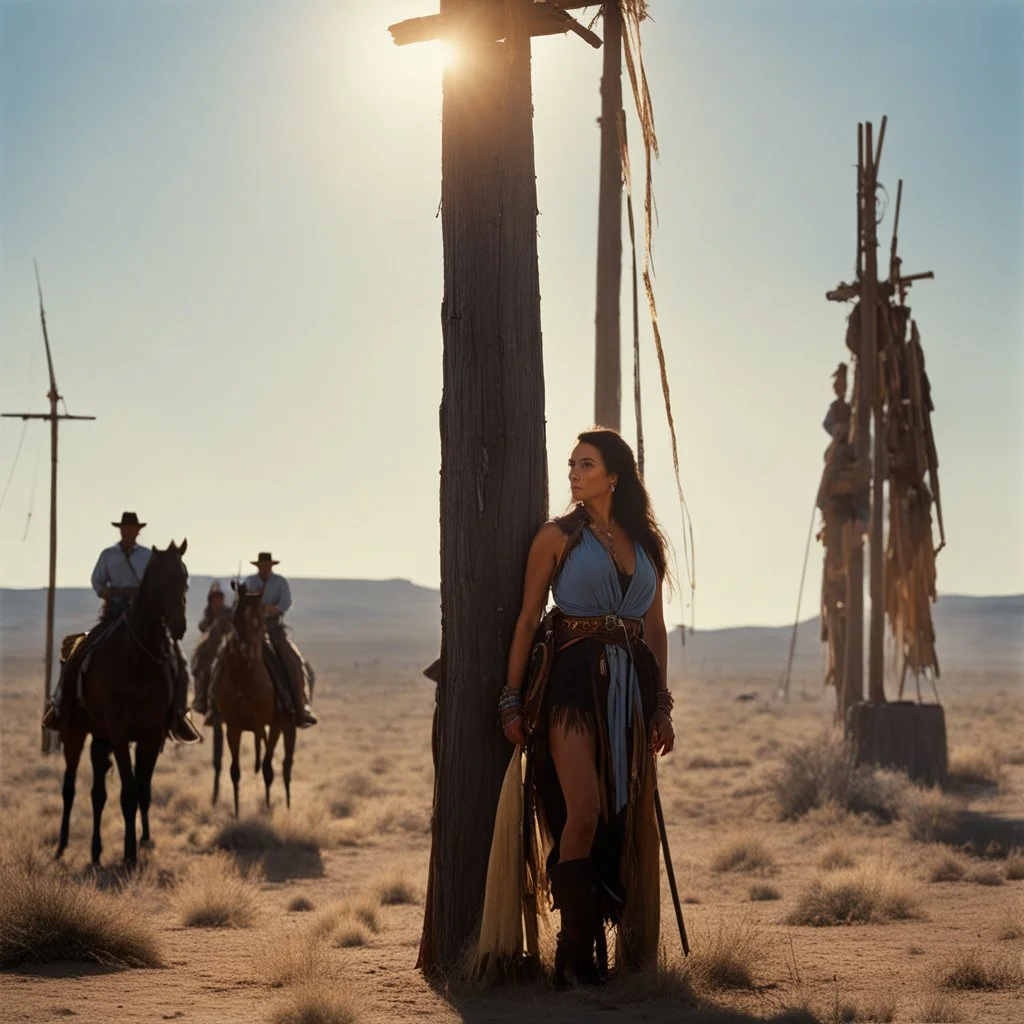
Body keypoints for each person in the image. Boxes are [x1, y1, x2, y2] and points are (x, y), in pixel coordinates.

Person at [480, 428, 675, 987]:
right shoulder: (555, 536)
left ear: (614, 475)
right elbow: (525, 619)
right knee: (583, 810)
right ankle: (572, 952)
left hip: (629, 689)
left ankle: (601, 948)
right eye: (570, 464)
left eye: (584, 464)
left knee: (619, 816)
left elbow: (655, 630)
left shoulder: (646, 545)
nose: (572, 473)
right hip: (569, 683)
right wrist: (511, 698)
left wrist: (661, 702)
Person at [42, 511, 200, 744]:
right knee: (77, 651)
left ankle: (178, 714)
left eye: (132, 528)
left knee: (181, 662)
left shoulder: (149, 556)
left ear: (138, 531)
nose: (128, 531)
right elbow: (97, 581)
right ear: (120, 530)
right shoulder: (108, 555)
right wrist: (109, 592)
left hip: (144, 618)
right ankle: (61, 706)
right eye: (125, 528)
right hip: (113, 613)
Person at [243, 552, 317, 728]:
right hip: (251, 628)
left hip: (274, 628)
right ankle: (211, 702)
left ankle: (300, 705)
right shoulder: (249, 582)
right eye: (262, 565)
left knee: (295, 662)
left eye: (267, 565)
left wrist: (267, 610)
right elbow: (242, 602)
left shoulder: (280, 583)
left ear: (271, 566)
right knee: (222, 656)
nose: (264, 568)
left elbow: (285, 604)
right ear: (258, 566)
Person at [191, 581, 234, 719]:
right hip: (210, 649)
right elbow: (202, 625)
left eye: (219, 598)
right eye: (215, 598)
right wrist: (210, 629)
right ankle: (201, 699)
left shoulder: (228, 612)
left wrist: (223, 625)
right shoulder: (208, 612)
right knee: (200, 667)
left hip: (226, 647)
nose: (217, 601)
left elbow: (232, 628)